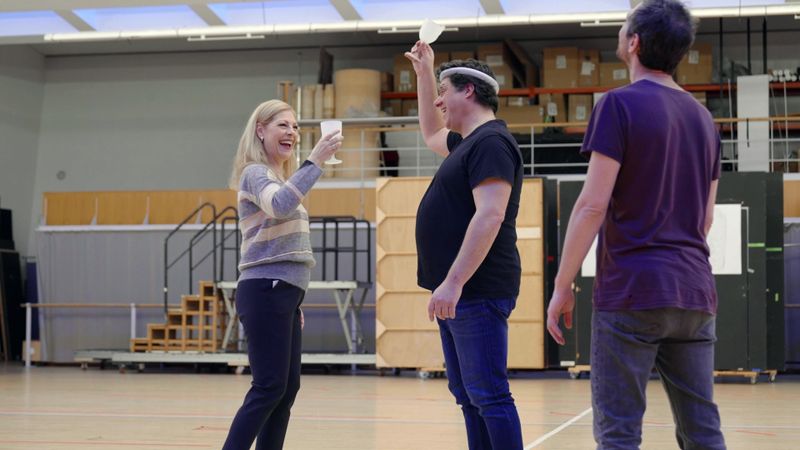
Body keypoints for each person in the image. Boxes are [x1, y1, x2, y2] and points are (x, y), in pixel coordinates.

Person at [546, 1, 726, 449]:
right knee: (702, 431)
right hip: (694, 291)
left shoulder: (617, 104)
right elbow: (705, 218)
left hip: (631, 291)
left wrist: (562, 285)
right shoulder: (705, 120)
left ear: (634, 42)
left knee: (619, 433)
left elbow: (591, 206)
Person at [405, 42, 524, 450]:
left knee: (489, 395)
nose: (438, 101)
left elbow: (490, 215)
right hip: (460, 293)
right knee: (469, 397)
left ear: (468, 91)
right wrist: (425, 73)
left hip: (476, 289)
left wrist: (454, 283)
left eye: (443, 91)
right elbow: (430, 132)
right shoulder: (467, 142)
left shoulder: (491, 143)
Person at [222, 99, 342, 450]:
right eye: (283, 125)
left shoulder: (277, 178)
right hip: (266, 290)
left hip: (283, 293)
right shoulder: (255, 173)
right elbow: (279, 205)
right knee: (269, 386)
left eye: (295, 126)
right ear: (260, 130)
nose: (292, 132)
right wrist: (315, 161)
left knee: (285, 389)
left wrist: (293, 300)